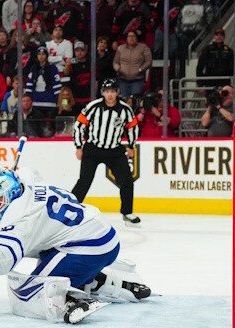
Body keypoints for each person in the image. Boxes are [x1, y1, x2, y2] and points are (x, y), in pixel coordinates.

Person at [0, 168, 151, 324]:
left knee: (29, 293)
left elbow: (4, 257)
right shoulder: (32, 186)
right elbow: (30, 173)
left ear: (11, 196)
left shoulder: (22, 220)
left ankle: (69, 300)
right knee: (46, 254)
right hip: (103, 237)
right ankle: (100, 280)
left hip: (87, 247)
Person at [71, 78, 141, 226]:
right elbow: (79, 125)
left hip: (114, 151)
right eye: (107, 91)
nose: (110, 94)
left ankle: (127, 212)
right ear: (103, 93)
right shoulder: (93, 106)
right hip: (93, 149)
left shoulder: (125, 109)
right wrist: (78, 146)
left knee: (127, 181)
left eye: (113, 91)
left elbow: (133, 127)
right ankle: (71, 209)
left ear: (117, 93)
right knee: (84, 180)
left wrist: (131, 146)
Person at [25, 45, 62, 119]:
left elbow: (57, 86)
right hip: (36, 103)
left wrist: (59, 101)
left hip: (50, 103)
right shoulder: (33, 68)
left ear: (47, 55)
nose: (41, 56)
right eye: (39, 54)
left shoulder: (53, 68)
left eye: (43, 54)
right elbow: (29, 86)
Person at [112, 31, 152, 97]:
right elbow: (115, 62)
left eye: (133, 36)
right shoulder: (120, 48)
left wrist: (140, 69)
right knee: (124, 99)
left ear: (137, 38)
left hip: (137, 80)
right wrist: (119, 69)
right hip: (123, 80)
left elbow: (149, 61)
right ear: (126, 38)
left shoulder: (143, 48)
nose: (131, 38)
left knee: (136, 100)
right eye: (129, 36)